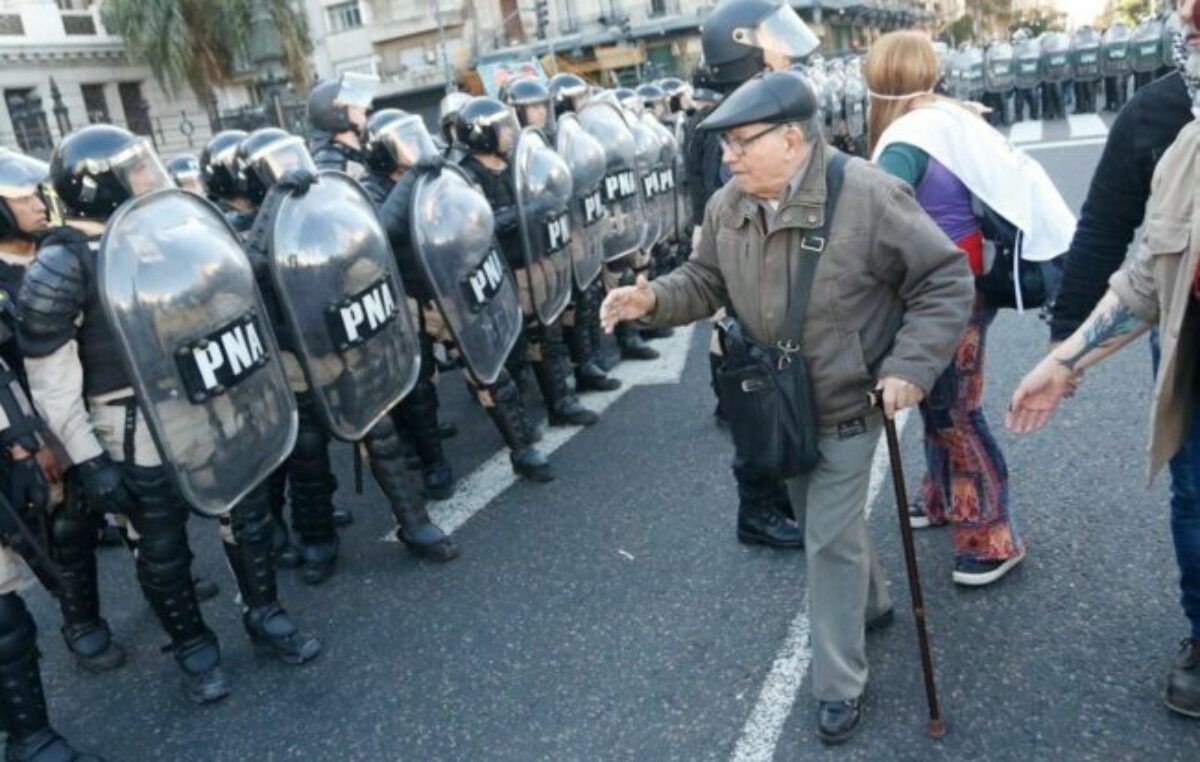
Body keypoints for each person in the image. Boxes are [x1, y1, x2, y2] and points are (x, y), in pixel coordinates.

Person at [600, 70, 973, 744]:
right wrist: (651, 300)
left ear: (794, 139)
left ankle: (838, 686)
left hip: (853, 399)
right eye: (727, 145)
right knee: (818, 519)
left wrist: (910, 368)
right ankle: (875, 600)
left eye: (742, 142)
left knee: (825, 538)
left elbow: (945, 278)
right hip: (778, 402)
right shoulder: (729, 203)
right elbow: (705, 280)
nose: (728, 156)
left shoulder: (869, 195)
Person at [17, 126, 230, 703]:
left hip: (193, 397)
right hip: (127, 421)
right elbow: (53, 383)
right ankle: (191, 648)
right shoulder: (61, 266)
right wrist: (90, 461)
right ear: (100, 184)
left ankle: (260, 611)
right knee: (155, 543)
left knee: (236, 509)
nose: (146, 178)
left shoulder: (151, 236)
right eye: (133, 170)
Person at [865, 30, 1078, 585]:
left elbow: (873, 216)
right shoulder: (948, 116)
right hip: (968, 281)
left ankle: (991, 534)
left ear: (879, 81)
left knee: (953, 409)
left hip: (945, 293)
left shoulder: (905, 139)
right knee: (939, 398)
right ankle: (940, 497)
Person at [1007, 113, 1200, 719]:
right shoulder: (1188, 148)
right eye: (1190, 29)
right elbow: (1145, 279)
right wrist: (1064, 359)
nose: (1189, 44)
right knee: (1195, 495)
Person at [1044, 0, 1199, 718]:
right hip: (1190, 340)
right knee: (1197, 492)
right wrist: (1066, 351)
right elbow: (1124, 250)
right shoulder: (1169, 127)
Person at [236, 129, 459, 567]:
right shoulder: (239, 225)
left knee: (380, 432)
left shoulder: (318, 212)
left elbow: (373, 234)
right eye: (277, 165)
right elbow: (249, 273)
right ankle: (316, 538)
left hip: (339, 337)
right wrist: (274, 207)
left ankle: (414, 522)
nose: (292, 169)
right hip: (291, 353)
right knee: (308, 452)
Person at [697, 0, 822, 550]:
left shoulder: (755, 108)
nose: (783, 49)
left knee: (779, 400)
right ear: (744, 45)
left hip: (770, 274)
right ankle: (760, 510)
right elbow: (722, 212)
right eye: (771, 37)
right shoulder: (724, 123)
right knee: (758, 399)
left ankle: (775, 500)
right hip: (746, 279)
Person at [455, 96, 599, 430]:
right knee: (513, 350)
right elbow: (480, 222)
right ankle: (518, 424)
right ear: (482, 134)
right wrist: (526, 212)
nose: (510, 132)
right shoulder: (467, 174)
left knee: (547, 334)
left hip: (534, 259)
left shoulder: (515, 161)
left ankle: (560, 403)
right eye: (502, 127)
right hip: (503, 271)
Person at [307, 73, 377, 178]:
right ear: (336, 112)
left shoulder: (353, 153)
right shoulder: (331, 162)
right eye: (354, 104)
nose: (363, 108)